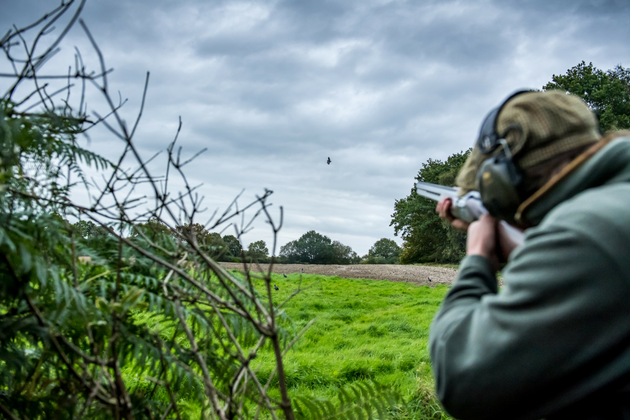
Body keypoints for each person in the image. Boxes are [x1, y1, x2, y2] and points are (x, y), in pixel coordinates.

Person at [428, 89, 630, 420]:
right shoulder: (612, 206)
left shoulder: (584, 234)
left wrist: (479, 258)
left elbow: (463, 380)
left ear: (503, 182)